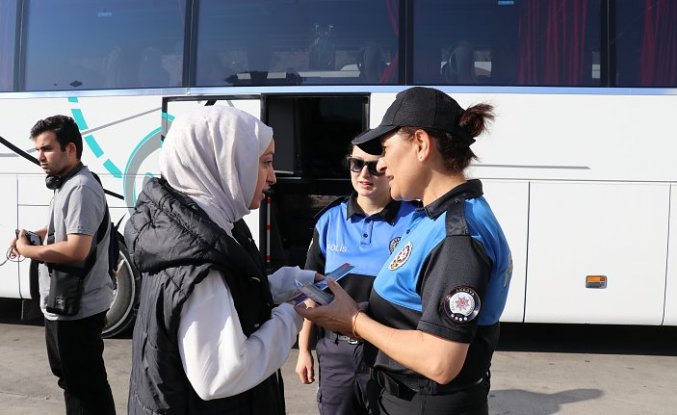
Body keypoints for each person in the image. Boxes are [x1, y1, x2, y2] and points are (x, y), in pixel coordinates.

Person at [297, 86, 512, 414]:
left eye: (385, 150)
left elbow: (441, 361)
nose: (380, 166)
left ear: (422, 145)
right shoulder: (431, 218)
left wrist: (354, 321)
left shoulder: (457, 236)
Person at [124, 106, 319, 414]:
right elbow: (220, 375)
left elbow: (236, 295)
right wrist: (293, 315)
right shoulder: (198, 261)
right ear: (226, 162)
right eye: (266, 162)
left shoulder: (202, 229)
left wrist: (295, 283)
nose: (272, 177)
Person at [295, 144, 418, 415]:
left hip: (390, 354)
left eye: (375, 166)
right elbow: (311, 293)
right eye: (356, 163)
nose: (364, 173)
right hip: (336, 353)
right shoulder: (329, 221)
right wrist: (304, 350)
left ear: (390, 170)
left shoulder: (416, 222)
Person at [10, 115, 116, 414]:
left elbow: (76, 249)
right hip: (65, 305)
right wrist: (34, 235)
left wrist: (27, 251)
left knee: (84, 387)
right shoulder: (67, 183)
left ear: (70, 148)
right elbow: (64, 228)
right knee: (75, 382)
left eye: (46, 149)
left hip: (78, 308)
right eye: (37, 151)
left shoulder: (80, 187)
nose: (40, 157)